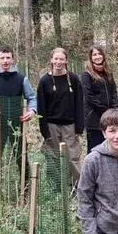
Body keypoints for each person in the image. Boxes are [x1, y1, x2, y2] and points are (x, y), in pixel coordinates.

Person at [0, 46, 38, 199]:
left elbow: (32, 98)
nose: (5, 61)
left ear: (13, 59)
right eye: (2, 58)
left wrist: (32, 111)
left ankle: (25, 191)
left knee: (21, 158)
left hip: (17, 125)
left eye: (8, 58)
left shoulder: (21, 79)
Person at [36, 47, 84, 187]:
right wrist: (44, 130)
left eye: (61, 59)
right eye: (56, 59)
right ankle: (56, 187)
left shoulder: (73, 79)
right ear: (51, 60)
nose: (58, 62)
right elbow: (41, 107)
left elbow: (79, 103)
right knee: (54, 156)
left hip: (70, 125)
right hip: (51, 125)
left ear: (66, 61)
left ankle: (77, 187)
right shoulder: (44, 81)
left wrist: (79, 127)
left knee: (72, 157)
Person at [81, 46, 118, 151]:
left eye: (99, 54)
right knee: (94, 149)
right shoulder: (86, 75)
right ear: (90, 58)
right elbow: (88, 96)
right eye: (94, 54)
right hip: (94, 117)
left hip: (109, 118)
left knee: (109, 147)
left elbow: (114, 92)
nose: (97, 56)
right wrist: (104, 110)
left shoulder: (108, 73)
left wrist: (113, 109)